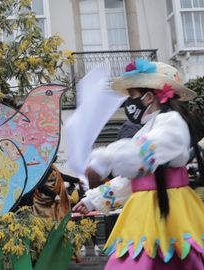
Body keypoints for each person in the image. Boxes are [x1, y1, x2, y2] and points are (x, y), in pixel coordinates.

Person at [73, 59, 204, 269]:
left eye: (131, 96)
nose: (128, 103)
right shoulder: (151, 126)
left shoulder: (171, 122)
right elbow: (133, 178)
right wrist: (93, 201)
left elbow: (146, 153)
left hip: (169, 210)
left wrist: (105, 157)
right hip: (147, 211)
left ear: (149, 96)